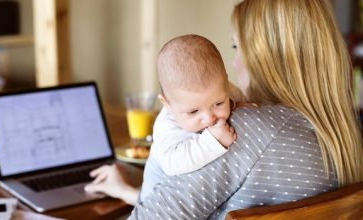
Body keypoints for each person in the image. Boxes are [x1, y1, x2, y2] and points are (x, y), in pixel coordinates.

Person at [89, 0, 363, 219]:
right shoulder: (345, 131)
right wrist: (129, 192)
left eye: (236, 47)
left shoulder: (243, 132)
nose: (233, 64)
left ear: (265, 57)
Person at [85, 34, 246, 202]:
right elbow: (173, 164)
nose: (209, 118)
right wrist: (214, 141)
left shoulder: (221, 88)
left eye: (218, 103)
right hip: (156, 198)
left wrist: (240, 104)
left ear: (225, 83)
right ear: (167, 103)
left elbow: (237, 96)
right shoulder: (167, 126)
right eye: (193, 112)